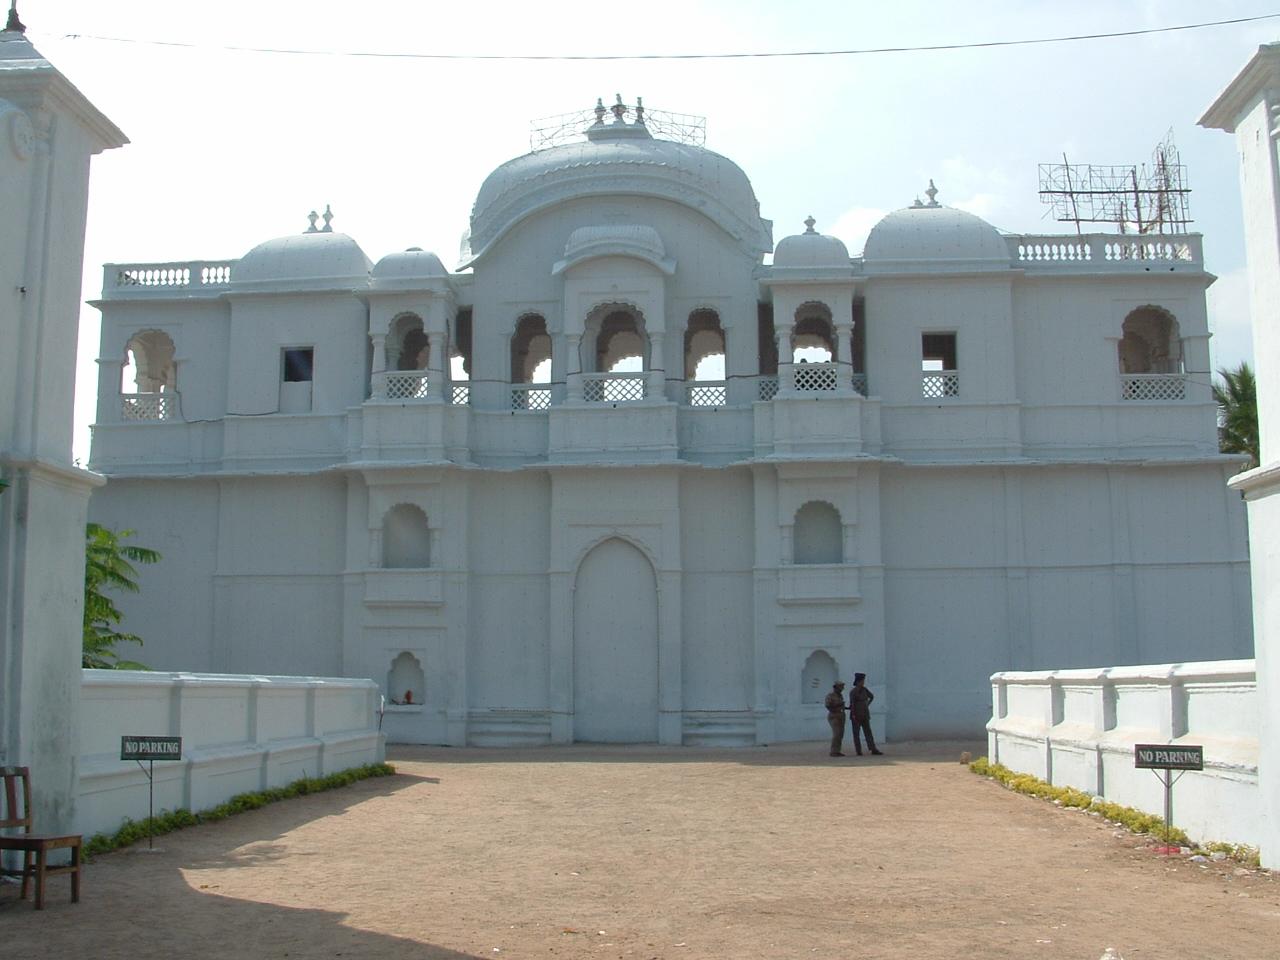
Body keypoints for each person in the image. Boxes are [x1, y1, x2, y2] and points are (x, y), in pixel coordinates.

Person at [848, 672, 883, 756]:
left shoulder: (864, 690)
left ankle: (873, 748)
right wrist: (853, 715)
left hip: (865, 714)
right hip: (856, 715)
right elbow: (852, 704)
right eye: (861, 681)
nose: (863, 682)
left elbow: (871, 696)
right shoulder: (853, 692)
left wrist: (867, 704)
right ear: (857, 682)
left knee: (868, 732)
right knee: (856, 734)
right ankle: (858, 751)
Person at [824, 681, 846, 756]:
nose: (842, 688)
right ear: (835, 687)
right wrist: (837, 705)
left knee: (840, 734)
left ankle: (837, 751)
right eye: (840, 687)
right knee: (836, 733)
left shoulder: (840, 695)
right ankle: (833, 751)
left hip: (841, 714)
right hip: (834, 715)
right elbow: (828, 705)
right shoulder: (830, 696)